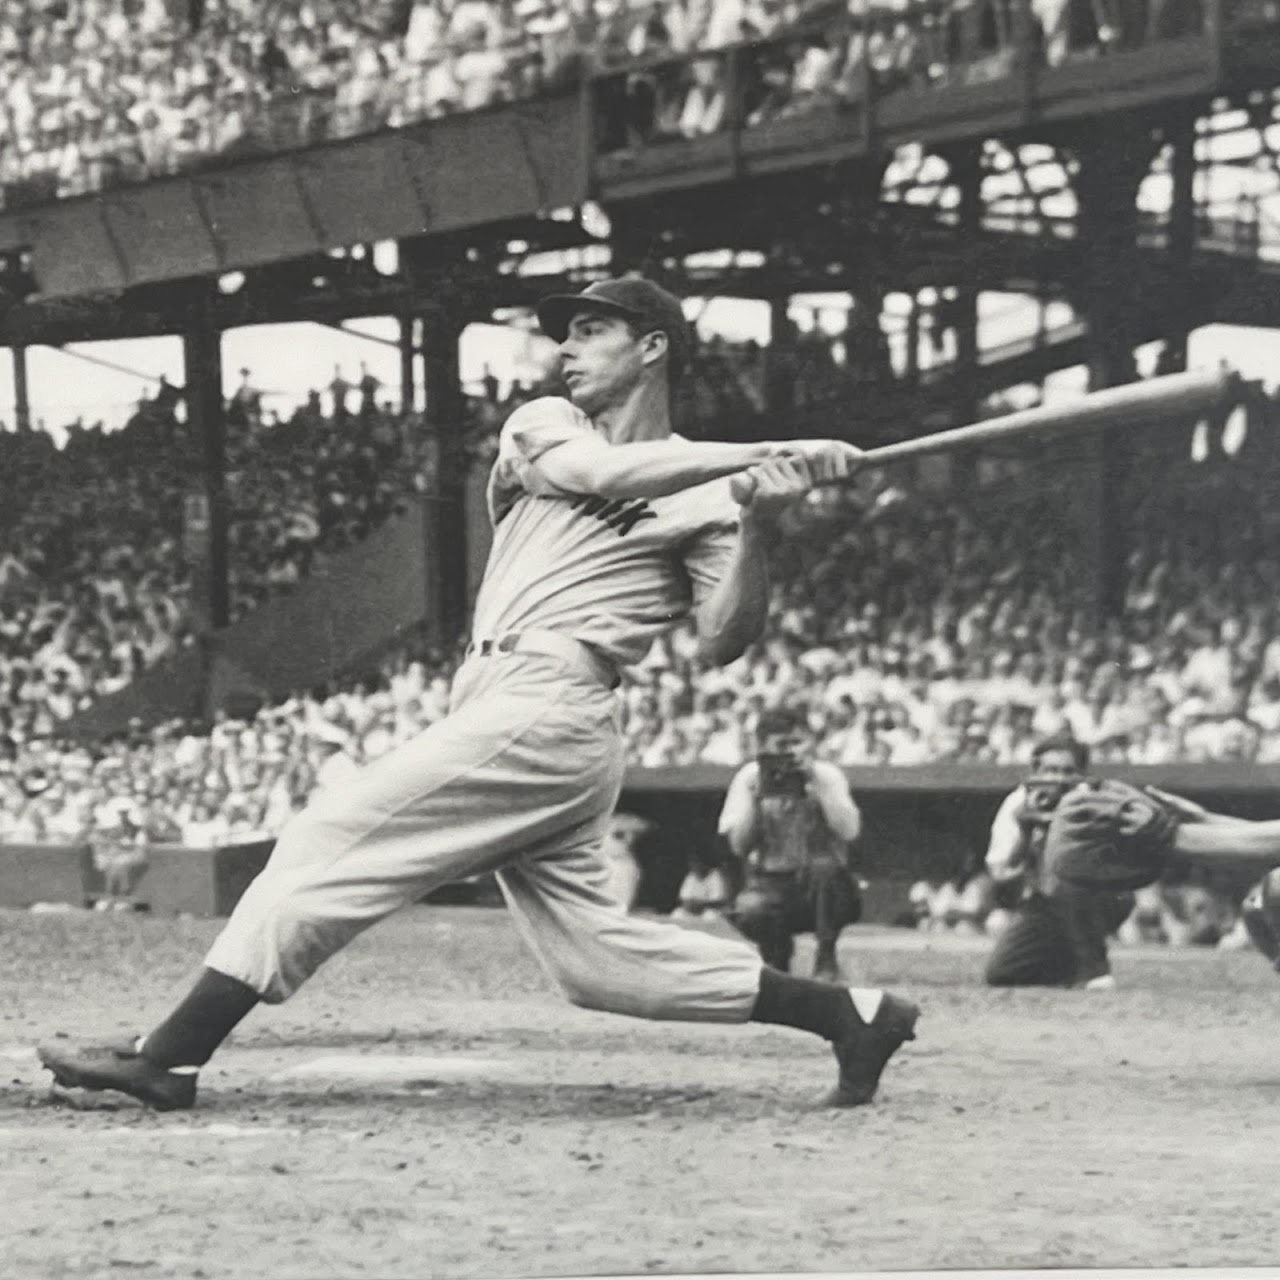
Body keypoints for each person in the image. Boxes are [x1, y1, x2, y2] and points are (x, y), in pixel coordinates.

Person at [39, 277, 919, 1112]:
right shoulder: (546, 424)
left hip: (555, 703)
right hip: (500, 699)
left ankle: (170, 1058)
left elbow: (724, 639)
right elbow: (606, 477)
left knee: (325, 833)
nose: (565, 349)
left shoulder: (716, 498)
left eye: (590, 330)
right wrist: (768, 453)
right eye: (564, 333)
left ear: (652, 347)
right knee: (595, 964)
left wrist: (759, 516)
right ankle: (851, 1016)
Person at [719, 708, 865, 981]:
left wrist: (818, 786)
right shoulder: (749, 777)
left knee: (825, 869)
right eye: (781, 745)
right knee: (750, 908)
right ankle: (776, 958)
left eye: (798, 742)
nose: (791, 753)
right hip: (770, 882)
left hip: (821, 888)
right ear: (763, 747)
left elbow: (849, 831)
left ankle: (826, 956)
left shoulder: (826, 775)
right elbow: (738, 846)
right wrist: (757, 800)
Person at [982, 732, 1134, 989]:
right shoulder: (1017, 803)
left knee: (1067, 867)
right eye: (1051, 770)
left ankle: (1095, 969)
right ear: (1036, 771)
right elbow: (1002, 876)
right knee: (1003, 973)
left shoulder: (1094, 800)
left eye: (1068, 771)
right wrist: (1026, 832)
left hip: (1102, 897)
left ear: (1081, 775)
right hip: (1043, 904)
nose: (1059, 779)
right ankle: (1068, 967)